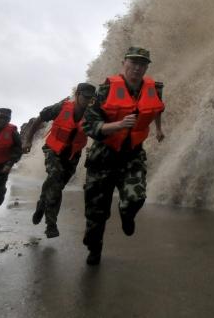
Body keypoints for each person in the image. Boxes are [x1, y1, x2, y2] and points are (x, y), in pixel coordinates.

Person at [81, 47, 165, 266]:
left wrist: (158, 129)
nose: (137, 68)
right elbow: (88, 125)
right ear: (123, 63)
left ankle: (127, 215)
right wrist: (116, 125)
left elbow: (156, 110)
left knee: (136, 198)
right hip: (103, 156)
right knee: (96, 214)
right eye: (133, 63)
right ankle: (94, 247)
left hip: (132, 154)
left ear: (147, 67)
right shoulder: (106, 89)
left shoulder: (154, 88)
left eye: (142, 64)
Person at [22, 82, 96, 238]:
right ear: (77, 95)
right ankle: (51, 225)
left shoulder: (92, 114)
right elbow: (40, 118)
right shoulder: (61, 107)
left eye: (90, 98)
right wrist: (28, 139)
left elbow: (98, 133)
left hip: (72, 155)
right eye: (84, 97)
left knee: (57, 186)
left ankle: (42, 203)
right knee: (55, 177)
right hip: (53, 150)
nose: (87, 101)